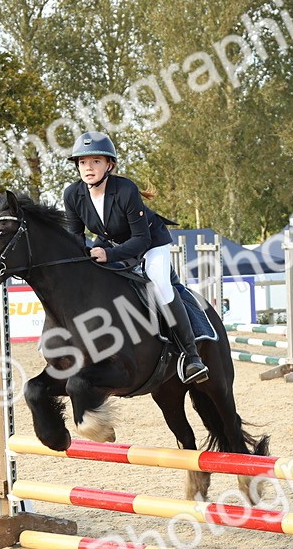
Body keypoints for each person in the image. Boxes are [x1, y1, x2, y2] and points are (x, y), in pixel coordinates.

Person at [62, 131, 208, 383]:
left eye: (96, 161)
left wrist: (108, 254)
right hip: (111, 242)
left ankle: (191, 355)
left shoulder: (126, 189)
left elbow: (142, 240)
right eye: (83, 162)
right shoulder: (73, 195)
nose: (88, 167)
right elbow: (74, 236)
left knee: (159, 284)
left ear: (110, 165)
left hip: (152, 243)